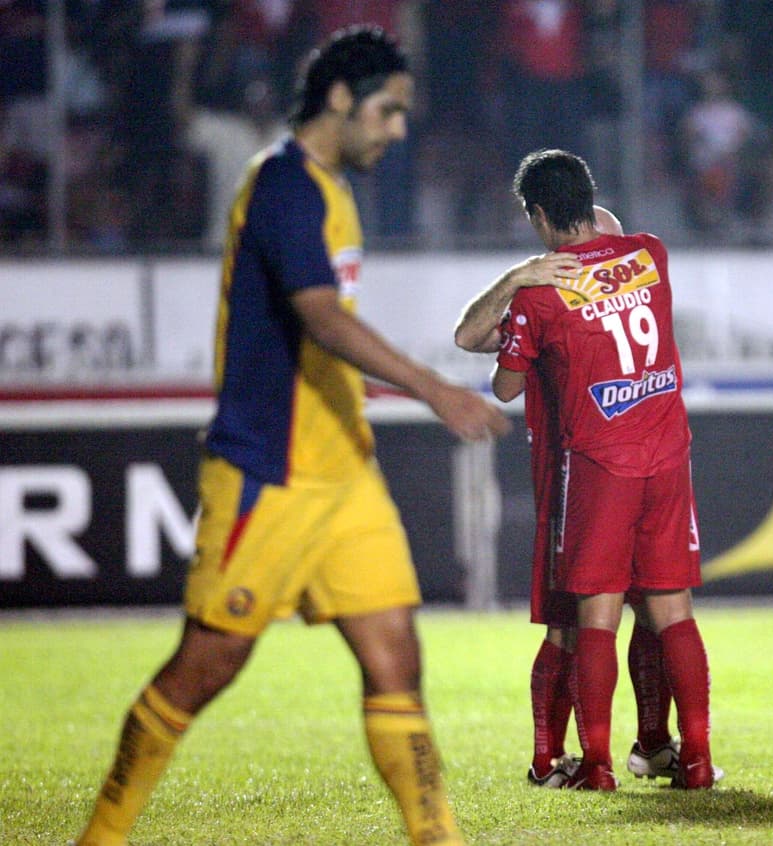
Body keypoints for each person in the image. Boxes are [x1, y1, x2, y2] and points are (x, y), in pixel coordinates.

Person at [76, 26, 509, 846]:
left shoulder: (332, 189)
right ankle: (99, 838)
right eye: (388, 111)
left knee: (396, 661)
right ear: (340, 98)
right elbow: (320, 317)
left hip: (344, 473)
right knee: (206, 665)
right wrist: (433, 389)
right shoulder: (281, 183)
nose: (398, 130)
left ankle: (439, 838)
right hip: (267, 473)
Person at [487, 149, 714, 790]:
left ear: (537, 215)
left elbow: (505, 387)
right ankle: (696, 760)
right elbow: (607, 232)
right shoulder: (649, 254)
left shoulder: (541, 294)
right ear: (590, 200)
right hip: (667, 457)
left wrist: (526, 285)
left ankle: (597, 765)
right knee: (674, 612)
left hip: (598, 464)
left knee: (595, 622)